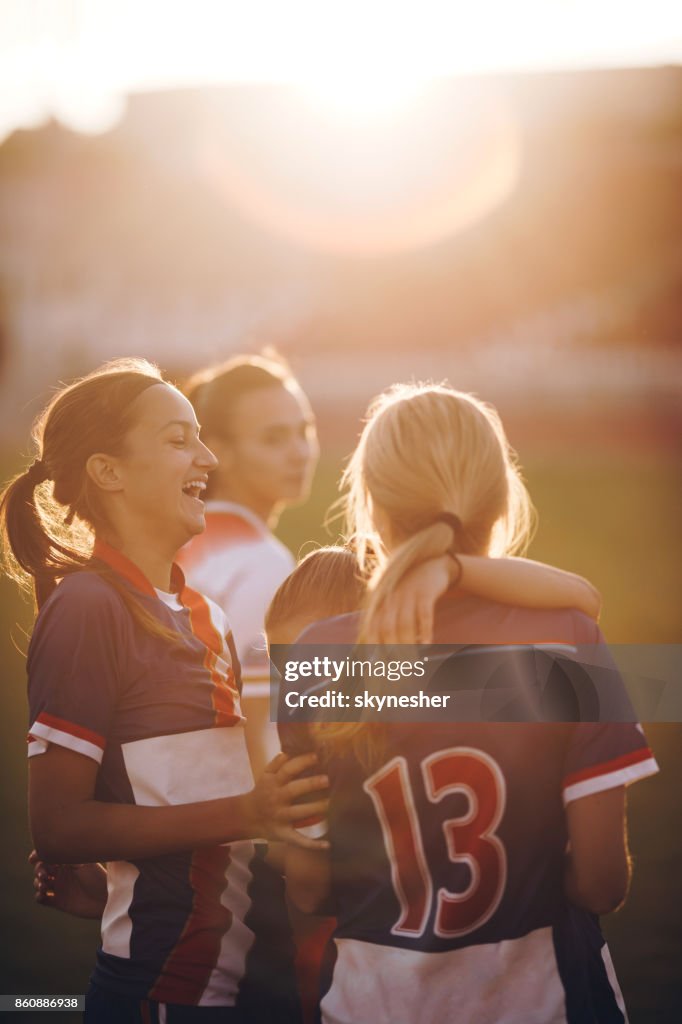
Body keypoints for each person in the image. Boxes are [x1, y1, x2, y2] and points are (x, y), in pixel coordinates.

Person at [282, 384, 659, 1024]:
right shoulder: (566, 639)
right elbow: (601, 883)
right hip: (541, 999)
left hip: (371, 1005)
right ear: (502, 497)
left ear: (370, 506)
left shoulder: (320, 654)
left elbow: (311, 886)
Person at [0, 358, 330, 1023]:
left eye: (201, 436)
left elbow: (161, 802)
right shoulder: (90, 605)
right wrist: (248, 813)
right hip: (166, 994)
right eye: (179, 439)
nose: (206, 456)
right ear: (108, 471)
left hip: (237, 983)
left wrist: (108, 876)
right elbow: (59, 825)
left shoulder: (201, 610)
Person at [177, 353, 602, 775]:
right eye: (274, 438)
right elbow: (266, 743)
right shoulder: (260, 565)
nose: (299, 451)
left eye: (304, 430)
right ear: (218, 452)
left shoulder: (183, 542)